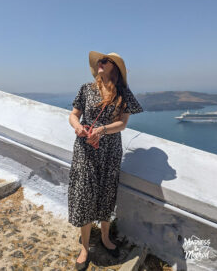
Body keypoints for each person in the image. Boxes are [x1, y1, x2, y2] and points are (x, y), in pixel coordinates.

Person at [68, 51, 144, 270]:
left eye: (105, 61)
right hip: (85, 148)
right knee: (84, 193)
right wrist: (78, 126)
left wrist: (101, 130)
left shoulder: (123, 94)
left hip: (110, 149)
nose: (100, 63)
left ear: (115, 68)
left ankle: (104, 236)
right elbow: (73, 115)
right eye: (99, 61)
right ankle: (84, 247)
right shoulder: (86, 88)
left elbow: (122, 124)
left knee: (106, 191)